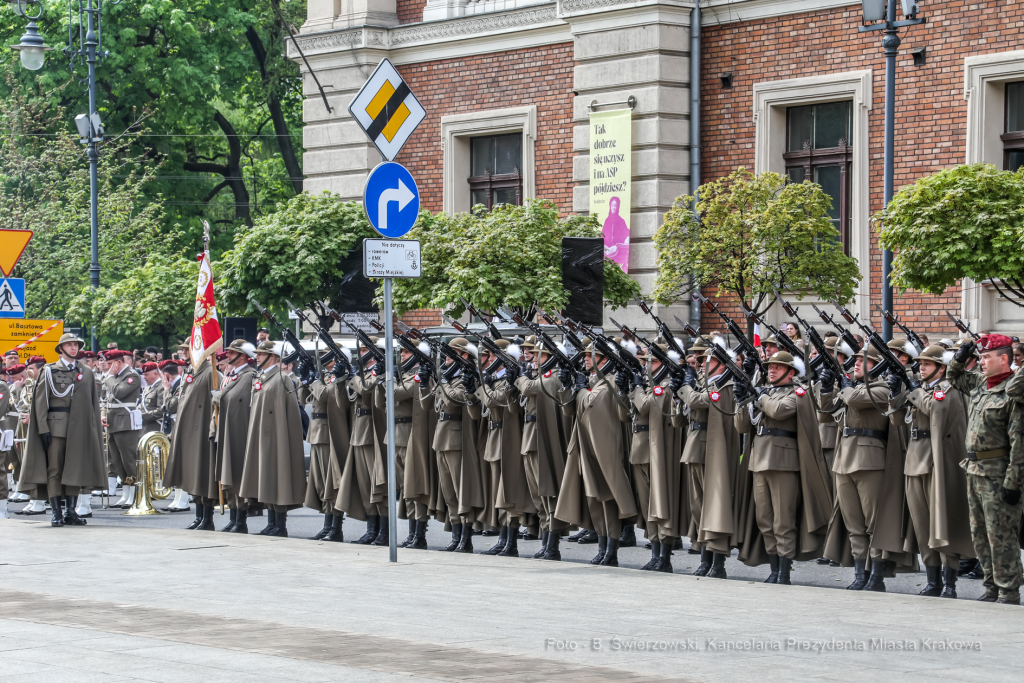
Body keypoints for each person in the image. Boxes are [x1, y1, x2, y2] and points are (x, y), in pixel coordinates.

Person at [735, 352, 832, 585]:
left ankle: (784, 571)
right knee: (764, 519)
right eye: (769, 367)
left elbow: (779, 411)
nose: (771, 370)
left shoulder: (797, 392)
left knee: (783, 520)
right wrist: (741, 401)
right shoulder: (765, 393)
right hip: (759, 461)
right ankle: (774, 567)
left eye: (777, 367)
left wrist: (759, 395)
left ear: (791, 372)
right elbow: (741, 426)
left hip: (784, 463)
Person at [820, 347, 912, 592]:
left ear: (876, 366)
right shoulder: (853, 388)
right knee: (854, 525)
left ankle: (876, 576)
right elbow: (825, 415)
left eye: (864, 361)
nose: (856, 365)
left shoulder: (882, 388)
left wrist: (844, 386)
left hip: (870, 460)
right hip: (844, 459)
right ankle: (860, 574)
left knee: (873, 523)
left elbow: (854, 400)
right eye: (855, 361)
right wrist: (827, 389)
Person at [889, 345, 973, 599]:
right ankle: (933, 581)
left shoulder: (948, 389)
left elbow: (936, 410)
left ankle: (949, 583)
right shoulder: (922, 389)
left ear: (941, 367)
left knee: (941, 522)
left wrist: (914, 390)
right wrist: (896, 393)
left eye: (927, 363)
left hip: (937, 461)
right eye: (920, 363)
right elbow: (897, 420)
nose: (921, 367)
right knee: (923, 525)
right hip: (915, 459)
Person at [952, 335, 1024, 604]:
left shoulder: (1014, 391)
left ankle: (1008, 591)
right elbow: (954, 378)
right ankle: (991, 586)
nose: (981, 362)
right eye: (980, 357)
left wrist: (1013, 482)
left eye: (986, 357)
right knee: (980, 534)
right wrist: (960, 358)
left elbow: (1019, 442)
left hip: (998, 474)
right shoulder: (981, 383)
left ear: (1004, 359)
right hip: (974, 469)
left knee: (1001, 536)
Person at [554, 341, 637, 567]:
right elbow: (569, 411)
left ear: (605, 359)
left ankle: (611, 550)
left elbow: (593, 405)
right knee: (594, 498)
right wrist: (567, 387)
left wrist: (580, 389)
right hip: (586, 445)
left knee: (608, 499)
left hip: (606, 448)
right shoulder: (593, 381)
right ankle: (602, 547)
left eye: (591, 355)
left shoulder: (611, 382)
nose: (586, 359)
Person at [17, 333, 105, 527]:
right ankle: (56, 512)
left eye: (76, 345)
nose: (74, 348)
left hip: (79, 428)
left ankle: (70, 512)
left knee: (75, 468)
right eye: (69, 345)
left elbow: (92, 403)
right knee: (55, 470)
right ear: (61, 348)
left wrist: (91, 428)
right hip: (56, 427)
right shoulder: (49, 371)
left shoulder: (86, 372)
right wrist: (43, 429)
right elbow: (40, 403)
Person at [420, 337, 484, 553]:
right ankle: (456, 536)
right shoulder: (447, 376)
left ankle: (466, 539)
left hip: (456, 440)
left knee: (460, 490)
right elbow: (427, 404)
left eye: (452, 353)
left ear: (464, 356)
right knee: (449, 493)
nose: (447, 357)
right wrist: (425, 383)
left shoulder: (468, 377)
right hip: (441, 438)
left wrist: (443, 381)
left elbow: (453, 400)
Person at [238, 341, 307, 537]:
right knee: (266, 478)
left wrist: (284, 439)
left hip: (277, 437)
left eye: (261, 354)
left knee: (278, 478)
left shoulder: (281, 379)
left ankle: (279, 524)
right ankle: (271, 522)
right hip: (262, 435)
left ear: (273, 357)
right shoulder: (262, 377)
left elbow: (289, 413)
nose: (257, 357)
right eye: (257, 353)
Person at [515, 336, 573, 560]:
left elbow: (530, 388)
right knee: (538, 496)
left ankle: (553, 544)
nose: (533, 359)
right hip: (530, 437)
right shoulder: (541, 374)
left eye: (538, 356)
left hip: (541, 439)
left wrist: (520, 376)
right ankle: (546, 541)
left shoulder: (552, 377)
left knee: (548, 493)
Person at [475, 339, 529, 557]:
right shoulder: (497, 379)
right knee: (498, 493)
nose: (487, 360)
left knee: (507, 493)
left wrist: (483, 385)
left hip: (507, 439)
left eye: (491, 356)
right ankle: (503, 539)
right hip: (495, 438)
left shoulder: (508, 379)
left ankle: (510, 543)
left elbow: (494, 400)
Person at [338, 337, 390, 545]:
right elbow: (343, 403)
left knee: (378, 485)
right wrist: (341, 380)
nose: (361, 354)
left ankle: (384, 531)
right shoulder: (361, 374)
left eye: (364, 351)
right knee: (365, 485)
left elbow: (366, 389)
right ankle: (371, 529)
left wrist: (353, 377)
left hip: (372, 432)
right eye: (359, 351)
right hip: (359, 432)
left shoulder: (379, 372)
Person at [164, 348, 221, 530]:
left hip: (202, 429)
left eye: (189, 349)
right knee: (192, 474)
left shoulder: (211, 372)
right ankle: (199, 516)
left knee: (202, 475)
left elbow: (217, 404)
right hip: (188, 429)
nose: (185, 353)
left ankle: (207, 518)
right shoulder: (190, 372)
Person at [302, 348, 352, 542]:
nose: (323, 359)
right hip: (316, 432)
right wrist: (306, 379)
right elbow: (303, 398)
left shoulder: (340, 376)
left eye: (327, 356)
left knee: (331, 483)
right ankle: (327, 525)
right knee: (321, 483)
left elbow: (325, 395)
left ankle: (335, 528)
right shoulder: (324, 376)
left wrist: (314, 381)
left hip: (328, 433)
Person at [212, 340, 258, 533]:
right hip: (227, 429)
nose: (228, 355)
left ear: (243, 356)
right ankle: (233, 516)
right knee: (228, 474)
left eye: (232, 352)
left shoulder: (249, 376)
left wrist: (217, 396)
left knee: (238, 475)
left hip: (240, 430)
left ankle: (241, 520)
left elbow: (230, 398)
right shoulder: (232, 375)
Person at [101, 349, 143, 510]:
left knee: (128, 460)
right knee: (118, 461)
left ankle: (134, 493)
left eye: (110, 363)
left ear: (118, 362)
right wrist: (104, 414)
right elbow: (108, 400)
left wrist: (109, 377)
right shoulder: (116, 377)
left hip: (125, 422)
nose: (108, 367)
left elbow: (119, 392)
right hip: (113, 422)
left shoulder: (132, 376)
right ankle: (126, 492)